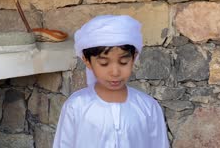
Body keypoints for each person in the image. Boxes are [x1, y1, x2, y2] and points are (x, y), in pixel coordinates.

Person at [53, 15, 169, 148]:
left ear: (134, 57)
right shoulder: (76, 106)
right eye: (104, 63)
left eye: (123, 62)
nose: (115, 72)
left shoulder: (148, 107)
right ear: (87, 61)